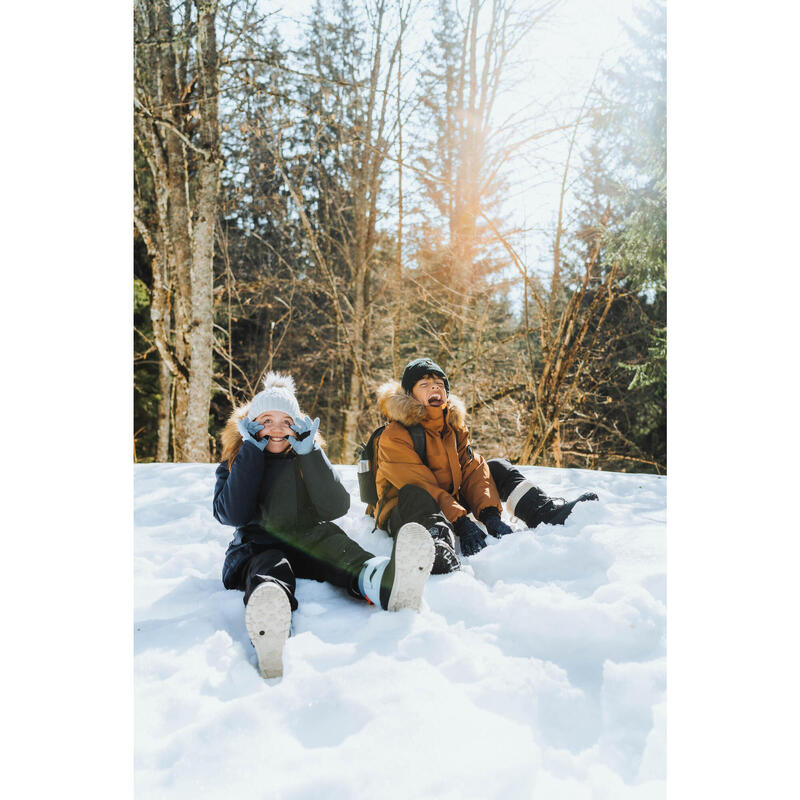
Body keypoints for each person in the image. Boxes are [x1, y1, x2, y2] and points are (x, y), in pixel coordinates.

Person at [213, 372, 435, 679]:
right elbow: (232, 514)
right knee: (269, 565)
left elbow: (336, 507)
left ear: (298, 425)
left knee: (338, 548)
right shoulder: (236, 460)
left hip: (308, 537)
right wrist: (251, 453)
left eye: (286, 421)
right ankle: (270, 616)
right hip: (258, 544)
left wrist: (312, 455)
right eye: (266, 420)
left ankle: (384, 581)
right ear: (250, 424)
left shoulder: (305, 456)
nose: (277, 428)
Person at [371, 358, 598, 571]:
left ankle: (544, 512)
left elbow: (473, 470)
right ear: (410, 394)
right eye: (424, 384)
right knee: (417, 494)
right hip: (406, 508)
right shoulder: (394, 436)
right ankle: (436, 545)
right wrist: (460, 522)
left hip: (447, 503)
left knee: (495, 467)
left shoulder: (452, 427)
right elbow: (422, 485)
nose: (434, 388)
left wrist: (489, 514)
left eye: (439, 384)